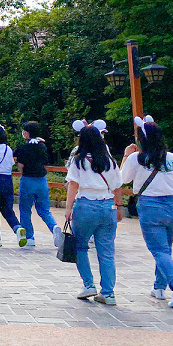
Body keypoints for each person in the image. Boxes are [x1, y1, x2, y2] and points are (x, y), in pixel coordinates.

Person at [120, 117, 173, 308]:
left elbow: (121, 179)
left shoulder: (137, 159)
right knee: (165, 249)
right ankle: (159, 287)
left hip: (150, 207)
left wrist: (126, 157)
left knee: (159, 250)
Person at [64, 120, 123, 305]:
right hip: (107, 206)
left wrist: (68, 208)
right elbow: (118, 186)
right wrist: (119, 206)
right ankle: (108, 292)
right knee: (106, 251)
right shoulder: (110, 161)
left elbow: (73, 185)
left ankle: (89, 284)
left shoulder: (79, 160)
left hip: (85, 205)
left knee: (81, 246)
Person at [14, 121, 57, 248]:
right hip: (42, 180)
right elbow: (45, 164)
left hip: (28, 180)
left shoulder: (24, 147)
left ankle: (29, 237)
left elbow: (20, 166)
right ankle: (54, 227)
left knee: (25, 210)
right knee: (44, 210)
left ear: (26, 133)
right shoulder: (42, 146)